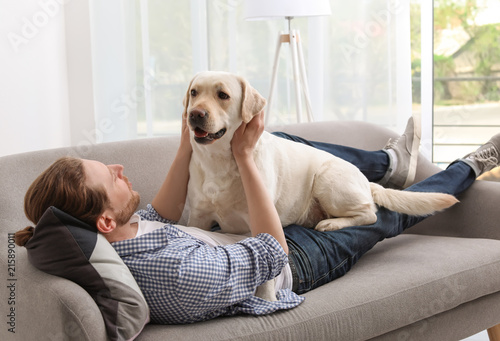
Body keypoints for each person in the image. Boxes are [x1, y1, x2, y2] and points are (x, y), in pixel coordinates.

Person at [14, 113, 500, 325]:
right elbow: (273, 253)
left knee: (283, 142)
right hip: (291, 260)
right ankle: (472, 166)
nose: (121, 169)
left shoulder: (122, 236)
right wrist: (246, 161)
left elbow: (159, 213)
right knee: (386, 215)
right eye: (111, 177)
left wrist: (190, 138)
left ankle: (388, 164)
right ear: (102, 221)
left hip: (250, 234)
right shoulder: (173, 275)